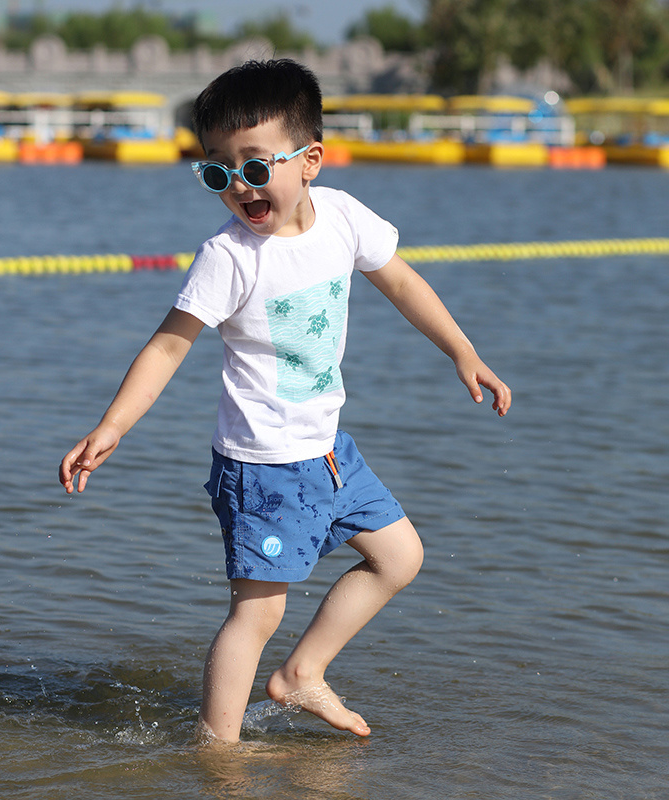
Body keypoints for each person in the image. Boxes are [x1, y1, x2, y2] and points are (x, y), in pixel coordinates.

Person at [59, 59, 511, 743]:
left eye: (254, 165)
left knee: (400, 557)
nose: (239, 186)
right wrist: (112, 424)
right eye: (217, 171)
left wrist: (462, 350)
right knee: (258, 613)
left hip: (329, 452)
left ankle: (303, 674)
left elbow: (403, 283)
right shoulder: (229, 257)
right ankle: (219, 748)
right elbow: (168, 345)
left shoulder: (345, 219)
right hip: (263, 467)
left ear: (311, 161)